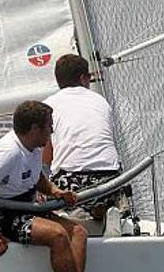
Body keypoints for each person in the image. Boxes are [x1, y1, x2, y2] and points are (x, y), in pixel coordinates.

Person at [0, 101, 122, 272]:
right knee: (58, 235)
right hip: (0, 216)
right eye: (49, 126)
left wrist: (56, 191)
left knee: (78, 232)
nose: (52, 130)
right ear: (34, 129)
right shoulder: (7, 152)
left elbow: (35, 177)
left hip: (24, 209)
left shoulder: (34, 147)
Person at [43, 54, 126, 224]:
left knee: (47, 188)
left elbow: (47, 158)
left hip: (72, 182)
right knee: (108, 191)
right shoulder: (101, 101)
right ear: (82, 78)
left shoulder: (48, 105)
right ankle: (104, 212)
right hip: (110, 180)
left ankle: (70, 215)